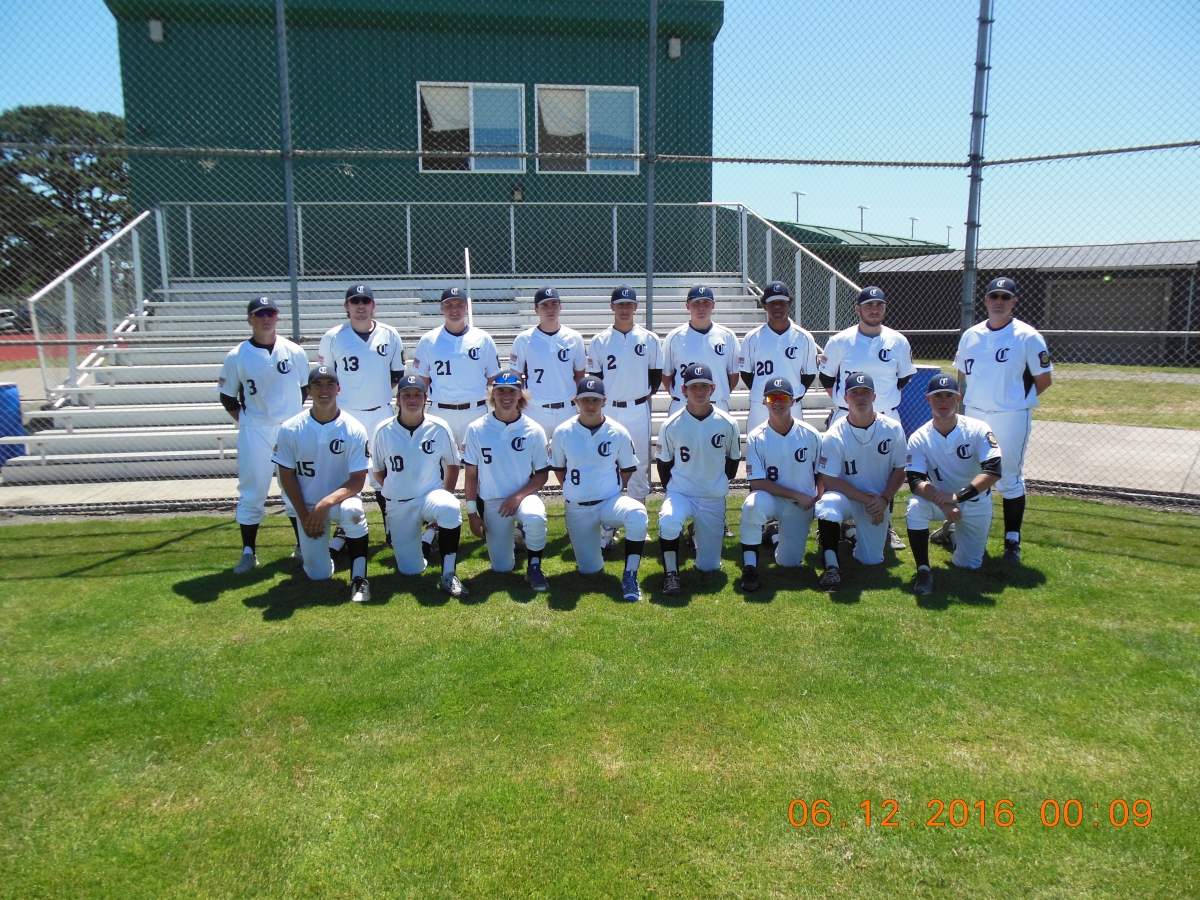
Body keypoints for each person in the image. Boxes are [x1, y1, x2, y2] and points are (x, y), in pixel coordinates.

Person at [952, 276, 1053, 563]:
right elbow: (964, 376)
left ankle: (1012, 541)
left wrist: (1014, 400)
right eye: (994, 296)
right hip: (974, 414)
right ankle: (964, 534)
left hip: (1011, 416)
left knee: (1007, 477)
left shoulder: (1028, 336)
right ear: (985, 300)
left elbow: (1043, 379)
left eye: (1005, 297)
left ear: (1014, 302)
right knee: (972, 474)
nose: (999, 302)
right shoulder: (971, 335)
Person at [818, 285, 915, 550]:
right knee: (837, 469)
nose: (874, 310)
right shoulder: (841, 340)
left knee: (886, 472)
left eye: (879, 305)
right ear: (858, 309)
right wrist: (845, 401)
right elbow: (826, 376)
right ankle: (836, 522)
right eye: (869, 306)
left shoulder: (898, 340)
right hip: (846, 416)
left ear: (885, 308)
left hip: (885, 416)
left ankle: (886, 524)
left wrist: (880, 400)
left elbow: (903, 377)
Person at [218, 295, 310, 573]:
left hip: (290, 430)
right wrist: (250, 421)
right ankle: (248, 552)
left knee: (295, 490)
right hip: (254, 431)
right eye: (259, 314)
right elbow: (228, 398)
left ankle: (302, 546)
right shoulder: (237, 355)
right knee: (252, 490)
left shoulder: (294, 351)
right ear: (250, 319)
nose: (266, 318)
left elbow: (303, 390)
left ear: (278, 317)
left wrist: (287, 419)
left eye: (270, 313)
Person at [273, 364, 372, 603]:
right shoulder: (290, 429)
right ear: (308, 390)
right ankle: (337, 544)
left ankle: (360, 579)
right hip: (306, 506)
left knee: (354, 512)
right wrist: (304, 516)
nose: (324, 389)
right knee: (318, 575)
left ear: (338, 389)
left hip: (339, 501)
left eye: (329, 384)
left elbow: (358, 481)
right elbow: (286, 475)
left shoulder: (354, 429)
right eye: (317, 384)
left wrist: (325, 503)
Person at [317, 282, 406, 543]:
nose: (360, 306)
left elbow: (396, 375)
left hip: (380, 413)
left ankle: (392, 527)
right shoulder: (333, 337)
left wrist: (374, 395)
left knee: (383, 475)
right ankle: (345, 529)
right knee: (345, 474)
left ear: (373, 306)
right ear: (346, 307)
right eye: (355, 302)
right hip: (346, 415)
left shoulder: (390, 335)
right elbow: (327, 379)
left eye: (365, 301)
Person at [548, 375, 649, 602]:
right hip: (577, 509)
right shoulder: (563, 432)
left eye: (595, 399)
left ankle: (630, 574)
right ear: (576, 401)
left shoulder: (618, 431)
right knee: (589, 570)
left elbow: (627, 470)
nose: (590, 405)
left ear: (604, 401)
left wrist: (612, 490)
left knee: (637, 514)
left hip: (608, 502)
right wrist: (576, 490)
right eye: (585, 400)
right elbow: (559, 469)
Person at [371, 374, 468, 598]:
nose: (412, 399)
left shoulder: (439, 426)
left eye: (417, 395)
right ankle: (425, 543)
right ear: (398, 399)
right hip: (398, 504)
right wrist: (398, 489)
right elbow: (378, 470)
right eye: (407, 395)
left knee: (450, 508)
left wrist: (445, 496)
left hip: (429, 496)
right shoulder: (383, 429)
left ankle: (449, 573)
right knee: (411, 571)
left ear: (426, 399)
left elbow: (453, 465)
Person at [904, 374, 1003, 595]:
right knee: (914, 506)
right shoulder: (919, 437)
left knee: (969, 565)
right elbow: (914, 481)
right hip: (941, 501)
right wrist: (945, 501)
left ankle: (950, 535)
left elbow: (994, 470)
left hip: (975, 501)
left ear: (959, 398)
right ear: (927, 399)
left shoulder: (978, 428)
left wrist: (957, 497)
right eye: (937, 396)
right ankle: (923, 569)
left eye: (949, 396)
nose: (943, 402)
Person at [813, 373, 907, 591]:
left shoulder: (892, 428)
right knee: (827, 505)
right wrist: (867, 499)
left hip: (877, 502)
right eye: (854, 393)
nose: (860, 397)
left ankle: (852, 533)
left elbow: (900, 469)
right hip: (847, 497)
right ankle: (831, 566)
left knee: (871, 560)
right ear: (846, 399)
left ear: (874, 396)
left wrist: (883, 500)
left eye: (865, 392)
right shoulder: (835, 433)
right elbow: (829, 479)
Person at [655, 363, 742, 596]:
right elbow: (664, 465)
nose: (699, 391)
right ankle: (671, 574)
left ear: (713, 388)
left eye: (704, 386)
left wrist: (713, 481)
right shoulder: (671, 424)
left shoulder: (727, 423)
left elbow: (732, 464)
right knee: (669, 520)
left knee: (709, 566)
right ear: (684, 389)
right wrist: (674, 489)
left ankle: (698, 535)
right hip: (681, 493)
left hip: (712, 495)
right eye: (694, 387)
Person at [462, 371, 551, 592]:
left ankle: (534, 567)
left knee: (535, 517)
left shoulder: (533, 429)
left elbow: (542, 474)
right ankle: (513, 538)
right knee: (501, 568)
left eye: (512, 391)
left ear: (520, 394)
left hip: (524, 496)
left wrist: (517, 497)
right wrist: (472, 513)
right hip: (494, 503)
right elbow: (471, 475)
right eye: (500, 390)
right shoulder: (476, 428)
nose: (506, 396)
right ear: (493, 393)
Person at [738, 376, 822, 592]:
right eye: (771, 397)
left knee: (789, 563)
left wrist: (818, 498)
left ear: (793, 401)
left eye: (782, 397)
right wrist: (796, 494)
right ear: (764, 401)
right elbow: (757, 482)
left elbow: (822, 473)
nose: (777, 402)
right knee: (751, 505)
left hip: (799, 505)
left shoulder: (811, 435)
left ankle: (774, 535)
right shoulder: (756, 436)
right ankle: (749, 568)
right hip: (772, 499)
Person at [586, 285, 663, 504]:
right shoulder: (600, 340)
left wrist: (642, 394)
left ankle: (638, 516)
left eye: (629, 305)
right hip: (609, 409)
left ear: (636, 307)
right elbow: (595, 380)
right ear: (612, 307)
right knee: (607, 462)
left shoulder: (649, 339)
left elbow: (655, 375)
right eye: (620, 305)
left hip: (638, 408)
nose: (625, 309)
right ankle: (610, 521)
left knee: (639, 463)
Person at [413, 285, 502, 450]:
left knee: (476, 464)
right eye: (449, 305)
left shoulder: (483, 339)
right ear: (441, 308)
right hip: (440, 410)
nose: (454, 310)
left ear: (467, 307)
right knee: (439, 464)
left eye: (459, 305)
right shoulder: (428, 340)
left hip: (475, 410)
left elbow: (492, 379)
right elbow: (422, 382)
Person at [739, 281, 819, 434]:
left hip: (791, 404)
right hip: (761, 405)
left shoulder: (804, 337)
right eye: (772, 303)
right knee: (757, 450)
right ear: (764, 305)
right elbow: (746, 372)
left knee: (794, 451)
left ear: (789, 304)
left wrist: (796, 393)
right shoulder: (752, 338)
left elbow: (809, 373)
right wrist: (762, 392)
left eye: (781, 302)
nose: (777, 307)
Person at [509, 286, 587, 440]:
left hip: (566, 408)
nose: (549, 309)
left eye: (554, 304)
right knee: (536, 460)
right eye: (544, 305)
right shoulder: (524, 339)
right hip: (535, 409)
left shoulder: (574, 338)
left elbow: (580, 375)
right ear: (536, 309)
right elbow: (516, 377)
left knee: (567, 459)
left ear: (561, 307)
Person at [662, 284, 740, 416]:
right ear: (687, 305)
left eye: (706, 303)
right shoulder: (674, 337)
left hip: (717, 405)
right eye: (696, 303)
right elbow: (666, 376)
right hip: (682, 404)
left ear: (713, 305)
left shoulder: (727, 336)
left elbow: (733, 376)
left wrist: (716, 394)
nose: (701, 307)